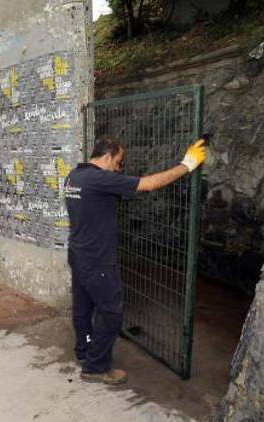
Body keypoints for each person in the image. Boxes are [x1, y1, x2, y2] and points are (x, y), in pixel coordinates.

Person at [65, 137, 207, 385]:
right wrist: (187, 164)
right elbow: (149, 184)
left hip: (79, 254)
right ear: (106, 157)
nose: (119, 168)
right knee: (111, 313)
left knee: (83, 308)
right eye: (118, 162)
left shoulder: (74, 176)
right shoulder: (100, 178)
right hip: (98, 260)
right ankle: (95, 367)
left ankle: (84, 350)